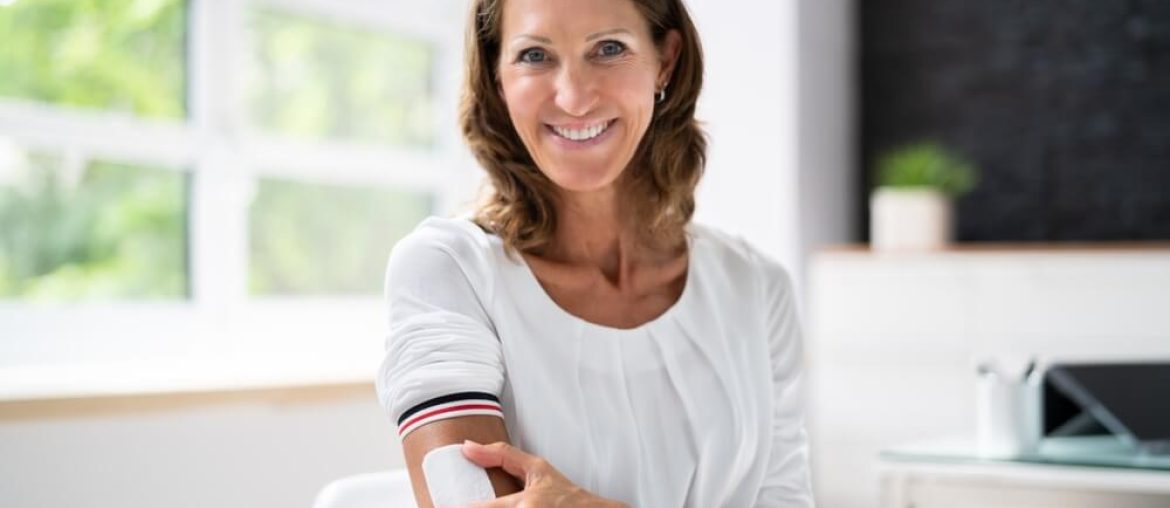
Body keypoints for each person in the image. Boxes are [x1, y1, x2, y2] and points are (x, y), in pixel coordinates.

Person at [375, 0, 814, 505]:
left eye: (609, 48)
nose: (575, 98)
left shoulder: (756, 289)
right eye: (535, 56)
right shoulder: (447, 272)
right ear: (498, 78)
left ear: (665, 61)